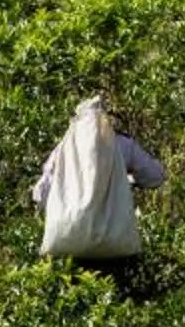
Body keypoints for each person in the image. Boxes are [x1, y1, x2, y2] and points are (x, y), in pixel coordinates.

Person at [32, 96, 165, 265]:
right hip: (114, 244)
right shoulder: (122, 144)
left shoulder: (65, 148)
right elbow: (155, 177)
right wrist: (130, 179)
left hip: (70, 241)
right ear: (105, 119)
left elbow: (41, 193)